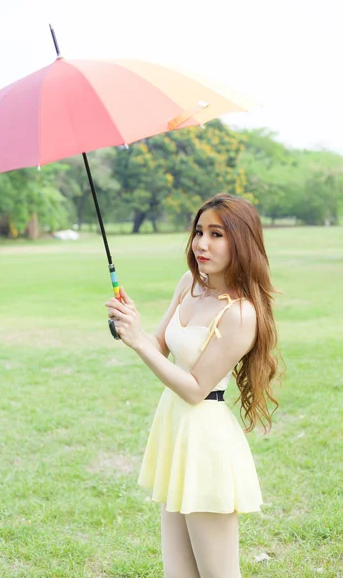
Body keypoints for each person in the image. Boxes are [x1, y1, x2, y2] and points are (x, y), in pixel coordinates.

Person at [105, 193, 282, 578]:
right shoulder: (189, 283)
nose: (202, 243)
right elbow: (158, 347)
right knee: (179, 574)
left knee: (218, 574)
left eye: (217, 234)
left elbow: (195, 388)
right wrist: (131, 324)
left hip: (206, 442)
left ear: (242, 240)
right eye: (199, 231)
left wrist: (137, 341)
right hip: (176, 431)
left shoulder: (239, 313)